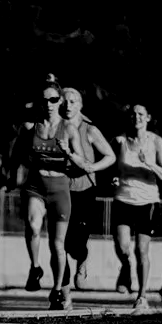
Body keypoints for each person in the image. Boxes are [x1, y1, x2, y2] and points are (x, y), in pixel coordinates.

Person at [3, 79, 110, 306]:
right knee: (33, 225)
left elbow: (81, 163)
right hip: (35, 186)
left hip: (60, 189)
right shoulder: (29, 127)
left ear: (59, 101)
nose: (49, 104)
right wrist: (12, 177)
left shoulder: (69, 129)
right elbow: (16, 155)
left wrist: (68, 152)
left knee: (57, 245)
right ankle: (35, 268)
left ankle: (58, 289)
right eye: (45, 100)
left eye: (53, 99)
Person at [106, 103, 162, 305]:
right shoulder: (119, 141)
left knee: (141, 250)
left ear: (148, 117)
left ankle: (142, 296)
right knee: (122, 247)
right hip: (123, 199)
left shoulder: (156, 141)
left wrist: (149, 163)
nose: (136, 117)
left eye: (141, 114)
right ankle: (126, 267)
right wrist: (113, 178)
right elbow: (109, 168)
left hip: (147, 201)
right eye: (133, 114)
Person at [59, 87, 112, 291]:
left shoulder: (89, 129)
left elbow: (110, 156)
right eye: (64, 101)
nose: (68, 105)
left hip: (85, 190)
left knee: (77, 244)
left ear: (80, 106)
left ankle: (82, 260)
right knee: (61, 241)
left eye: (73, 102)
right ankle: (63, 287)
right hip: (60, 189)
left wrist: (93, 167)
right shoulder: (54, 126)